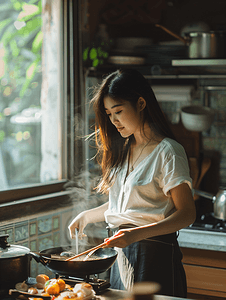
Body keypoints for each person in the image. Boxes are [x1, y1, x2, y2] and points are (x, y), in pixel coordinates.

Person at [68, 69, 196, 297]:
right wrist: (86, 216)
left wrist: (135, 235)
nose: (113, 121)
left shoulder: (169, 152)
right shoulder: (124, 151)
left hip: (155, 255)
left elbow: (187, 213)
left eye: (118, 111)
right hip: (122, 253)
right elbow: (129, 205)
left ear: (140, 103)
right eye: (108, 114)